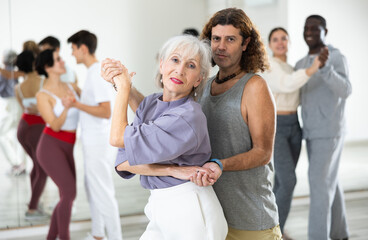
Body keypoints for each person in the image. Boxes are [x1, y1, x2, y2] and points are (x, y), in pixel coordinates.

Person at [101, 35, 228, 240]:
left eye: (191, 65)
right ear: (162, 64)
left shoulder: (188, 117)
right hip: (160, 206)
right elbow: (123, 163)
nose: (180, 70)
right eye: (175, 60)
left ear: (198, 79)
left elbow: (117, 138)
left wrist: (123, 87)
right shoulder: (152, 103)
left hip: (190, 210)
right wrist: (172, 170)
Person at [196, 8, 282, 239]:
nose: (220, 46)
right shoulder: (204, 85)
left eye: (230, 39)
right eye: (216, 38)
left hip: (250, 219)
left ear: (246, 44)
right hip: (212, 218)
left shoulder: (255, 87)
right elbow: (164, 111)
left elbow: (263, 153)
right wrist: (126, 87)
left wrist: (220, 164)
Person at [262, 27, 325, 238]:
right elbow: (287, 85)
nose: (280, 43)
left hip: (294, 125)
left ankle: (271, 227)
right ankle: (275, 232)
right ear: (269, 45)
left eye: (284, 39)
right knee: (288, 181)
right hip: (277, 126)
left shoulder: (291, 67)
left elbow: (298, 88)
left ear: (289, 42)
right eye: (275, 39)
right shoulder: (270, 66)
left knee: (281, 181)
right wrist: (313, 68)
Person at [295, 15, 351, 240]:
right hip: (310, 132)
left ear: (324, 30)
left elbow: (345, 90)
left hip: (329, 131)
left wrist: (326, 68)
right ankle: (340, 233)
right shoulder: (300, 64)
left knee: (319, 186)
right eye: (306, 28)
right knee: (329, 182)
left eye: (315, 29)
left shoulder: (336, 57)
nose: (309, 32)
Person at [66, 30, 122, 240]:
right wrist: (78, 92)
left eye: (73, 49)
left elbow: (105, 111)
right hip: (93, 141)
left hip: (98, 143)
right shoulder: (91, 73)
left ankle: (115, 237)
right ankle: (98, 235)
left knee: (103, 192)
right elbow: (95, 103)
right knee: (92, 190)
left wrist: (76, 103)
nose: (72, 54)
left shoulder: (96, 72)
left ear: (83, 48)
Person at [35, 49, 80, 240]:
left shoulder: (72, 86)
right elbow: (54, 124)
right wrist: (66, 108)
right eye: (58, 60)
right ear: (47, 67)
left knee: (67, 196)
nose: (63, 62)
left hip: (69, 146)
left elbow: (90, 108)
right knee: (70, 192)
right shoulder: (42, 95)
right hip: (50, 147)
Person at [14, 50, 48, 220]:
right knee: (43, 169)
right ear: (34, 62)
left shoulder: (17, 87)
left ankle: (35, 201)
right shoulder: (43, 81)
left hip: (23, 128)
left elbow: (26, 108)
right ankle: (32, 208)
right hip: (37, 128)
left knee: (36, 165)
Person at [0, 49, 26, 175]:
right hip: (17, 104)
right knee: (18, 135)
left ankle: (16, 163)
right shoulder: (15, 73)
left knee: (2, 135)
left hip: (12, 105)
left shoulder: (4, 73)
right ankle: (20, 164)